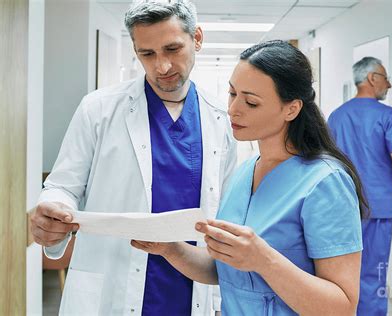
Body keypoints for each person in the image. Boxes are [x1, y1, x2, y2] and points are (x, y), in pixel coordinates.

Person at [29, 1, 236, 315]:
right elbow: (63, 187)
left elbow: (227, 213)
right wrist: (56, 210)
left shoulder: (222, 120)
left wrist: (222, 301)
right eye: (147, 54)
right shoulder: (97, 109)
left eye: (172, 49)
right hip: (112, 285)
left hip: (190, 287)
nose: (161, 67)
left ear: (197, 38)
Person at [131, 40, 366, 315]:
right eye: (232, 93)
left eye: (251, 102)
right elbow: (226, 270)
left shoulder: (326, 182)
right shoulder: (246, 171)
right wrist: (171, 249)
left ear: (291, 109)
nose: (233, 109)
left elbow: (342, 307)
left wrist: (264, 260)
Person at [327, 56, 392, 315]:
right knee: (372, 274)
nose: (390, 85)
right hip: (376, 208)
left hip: (342, 206)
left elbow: (325, 161)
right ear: (372, 79)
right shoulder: (388, 116)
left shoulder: (337, 116)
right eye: (386, 78)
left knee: (339, 271)